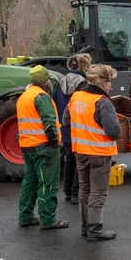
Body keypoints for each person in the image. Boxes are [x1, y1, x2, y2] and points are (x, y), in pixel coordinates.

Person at [63, 64, 122, 242]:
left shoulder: (77, 96)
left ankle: (85, 226)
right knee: (98, 192)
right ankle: (95, 230)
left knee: (84, 189)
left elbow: (66, 120)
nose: (111, 87)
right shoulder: (102, 101)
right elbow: (114, 131)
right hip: (99, 152)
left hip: (80, 151)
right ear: (104, 84)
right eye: (110, 83)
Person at [16, 65, 68, 230]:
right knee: (48, 183)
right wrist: (55, 143)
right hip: (43, 147)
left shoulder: (24, 96)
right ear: (46, 81)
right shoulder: (41, 97)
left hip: (27, 146)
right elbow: (49, 122)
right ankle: (48, 219)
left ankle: (25, 216)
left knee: (29, 182)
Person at [54, 53, 91, 204]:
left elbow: (55, 103)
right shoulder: (83, 84)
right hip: (78, 127)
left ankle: (68, 191)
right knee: (81, 162)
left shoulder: (60, 81)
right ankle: (77, 192)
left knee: (69, 160)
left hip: (65, 127)